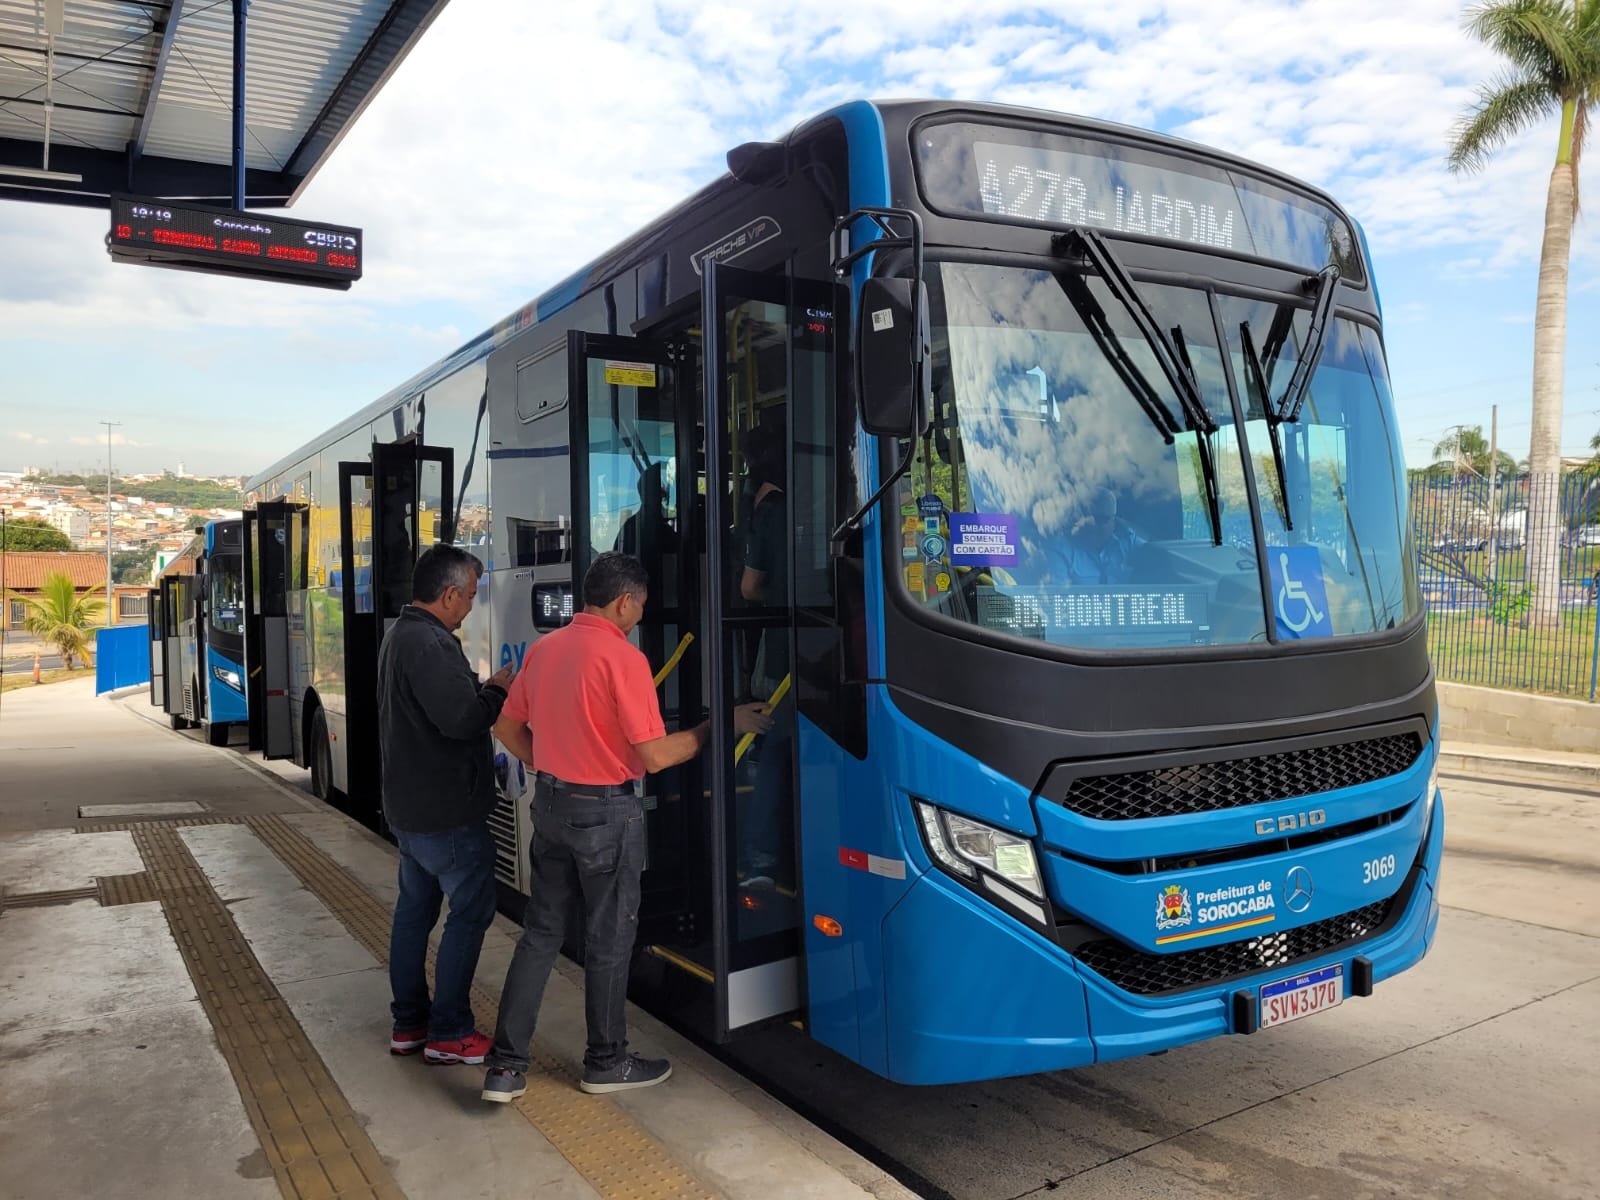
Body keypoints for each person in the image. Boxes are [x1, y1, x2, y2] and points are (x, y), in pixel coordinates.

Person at [481, 551, 769, 1101]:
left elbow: (505, 723)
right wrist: (719, 726)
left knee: (541, 934)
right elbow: (656, 756)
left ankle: (506, 1067)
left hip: (552, 806)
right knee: (610, 941)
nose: (640, 615)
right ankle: (606, 1061)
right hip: (606, 816)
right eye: (640, 605)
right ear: (624, 601)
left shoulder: (545, 649)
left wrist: (549, 762)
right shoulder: (622, 658)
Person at [378, 544, 514, 1066]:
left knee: (414, 914)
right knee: (470, 911)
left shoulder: (401, 635)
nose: (472, 608)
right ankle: (450, 1031)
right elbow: (461, 720)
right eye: (471, 597)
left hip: (411, 810)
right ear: (450, 592)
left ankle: (409, 1023)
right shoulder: (431, 645)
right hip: (447, 813)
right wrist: (497, 690)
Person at [1060, 486, 1143, 585]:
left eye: (1100, 519)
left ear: (1114, 521)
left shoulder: (1129, 543)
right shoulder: (1062, 550)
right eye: (1086, 517)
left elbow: (1156, 556)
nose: (1091, 524)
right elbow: (1055, 594)